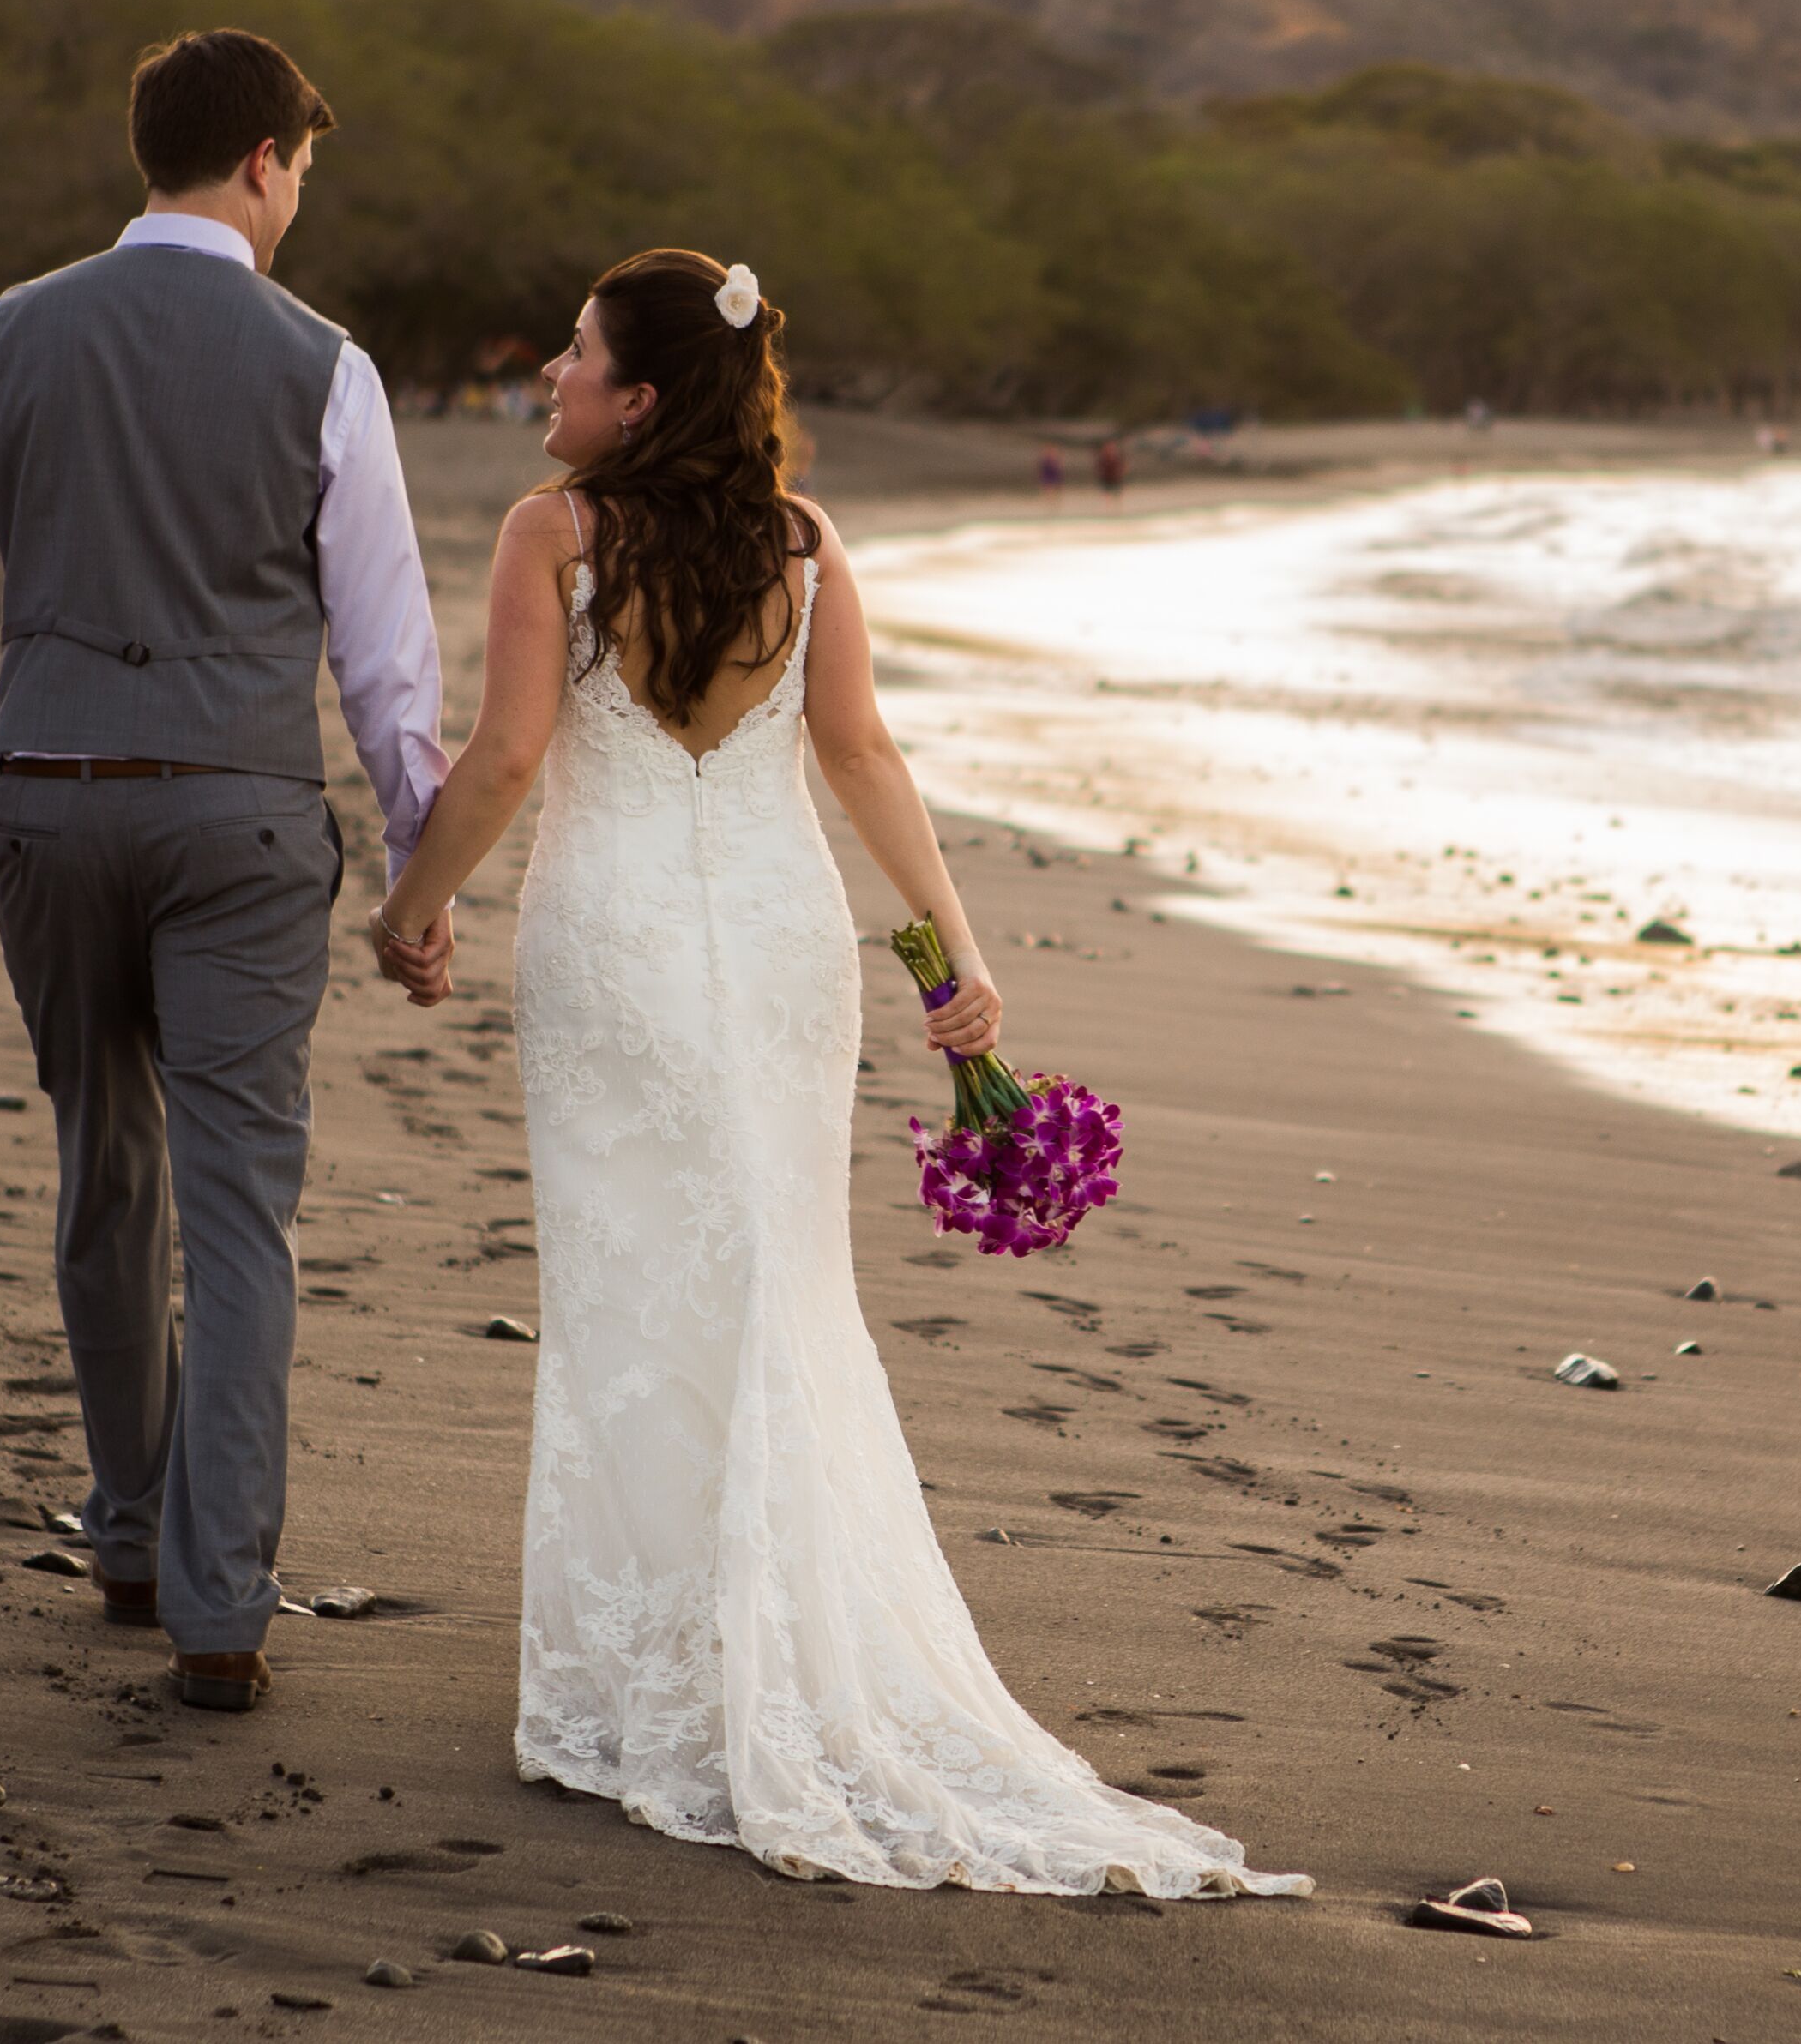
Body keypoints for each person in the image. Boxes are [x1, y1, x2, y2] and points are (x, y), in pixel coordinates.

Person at [364, 250, 1304, 1899]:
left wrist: (411, 909)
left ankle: (657, 1671)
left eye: (575, 359)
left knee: (645, 1293)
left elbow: (508, 754)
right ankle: (761, 1645)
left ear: (641, 395)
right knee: (781, 1292)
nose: (550, 385)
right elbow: (861, 752)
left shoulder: (552, 533)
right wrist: (957, 950)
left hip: (621, 952)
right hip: (791, 953)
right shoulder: (800, 545)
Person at [0, 28, 448, 1716]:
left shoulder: (2, 332)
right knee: (240, 1204)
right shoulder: (323, 362)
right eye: (305, 169)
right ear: (264, 159)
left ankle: (125, 1529)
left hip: (51, 800)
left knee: (102, 1160)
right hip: (244, 817)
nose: (302, 197)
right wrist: (419, 874)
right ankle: (219, 1606)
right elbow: (387, 664)